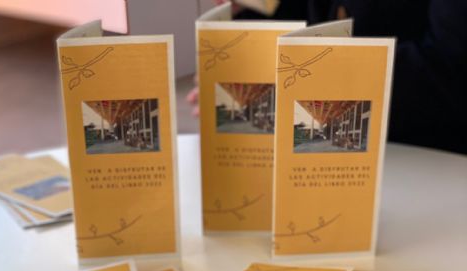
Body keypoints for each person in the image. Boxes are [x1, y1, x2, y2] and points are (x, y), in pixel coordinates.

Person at [189, 1, 467, 154]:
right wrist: (250, 24)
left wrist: (297, 81)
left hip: (427, 152)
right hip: (325, 142)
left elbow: (451, 64)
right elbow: (314, 14)